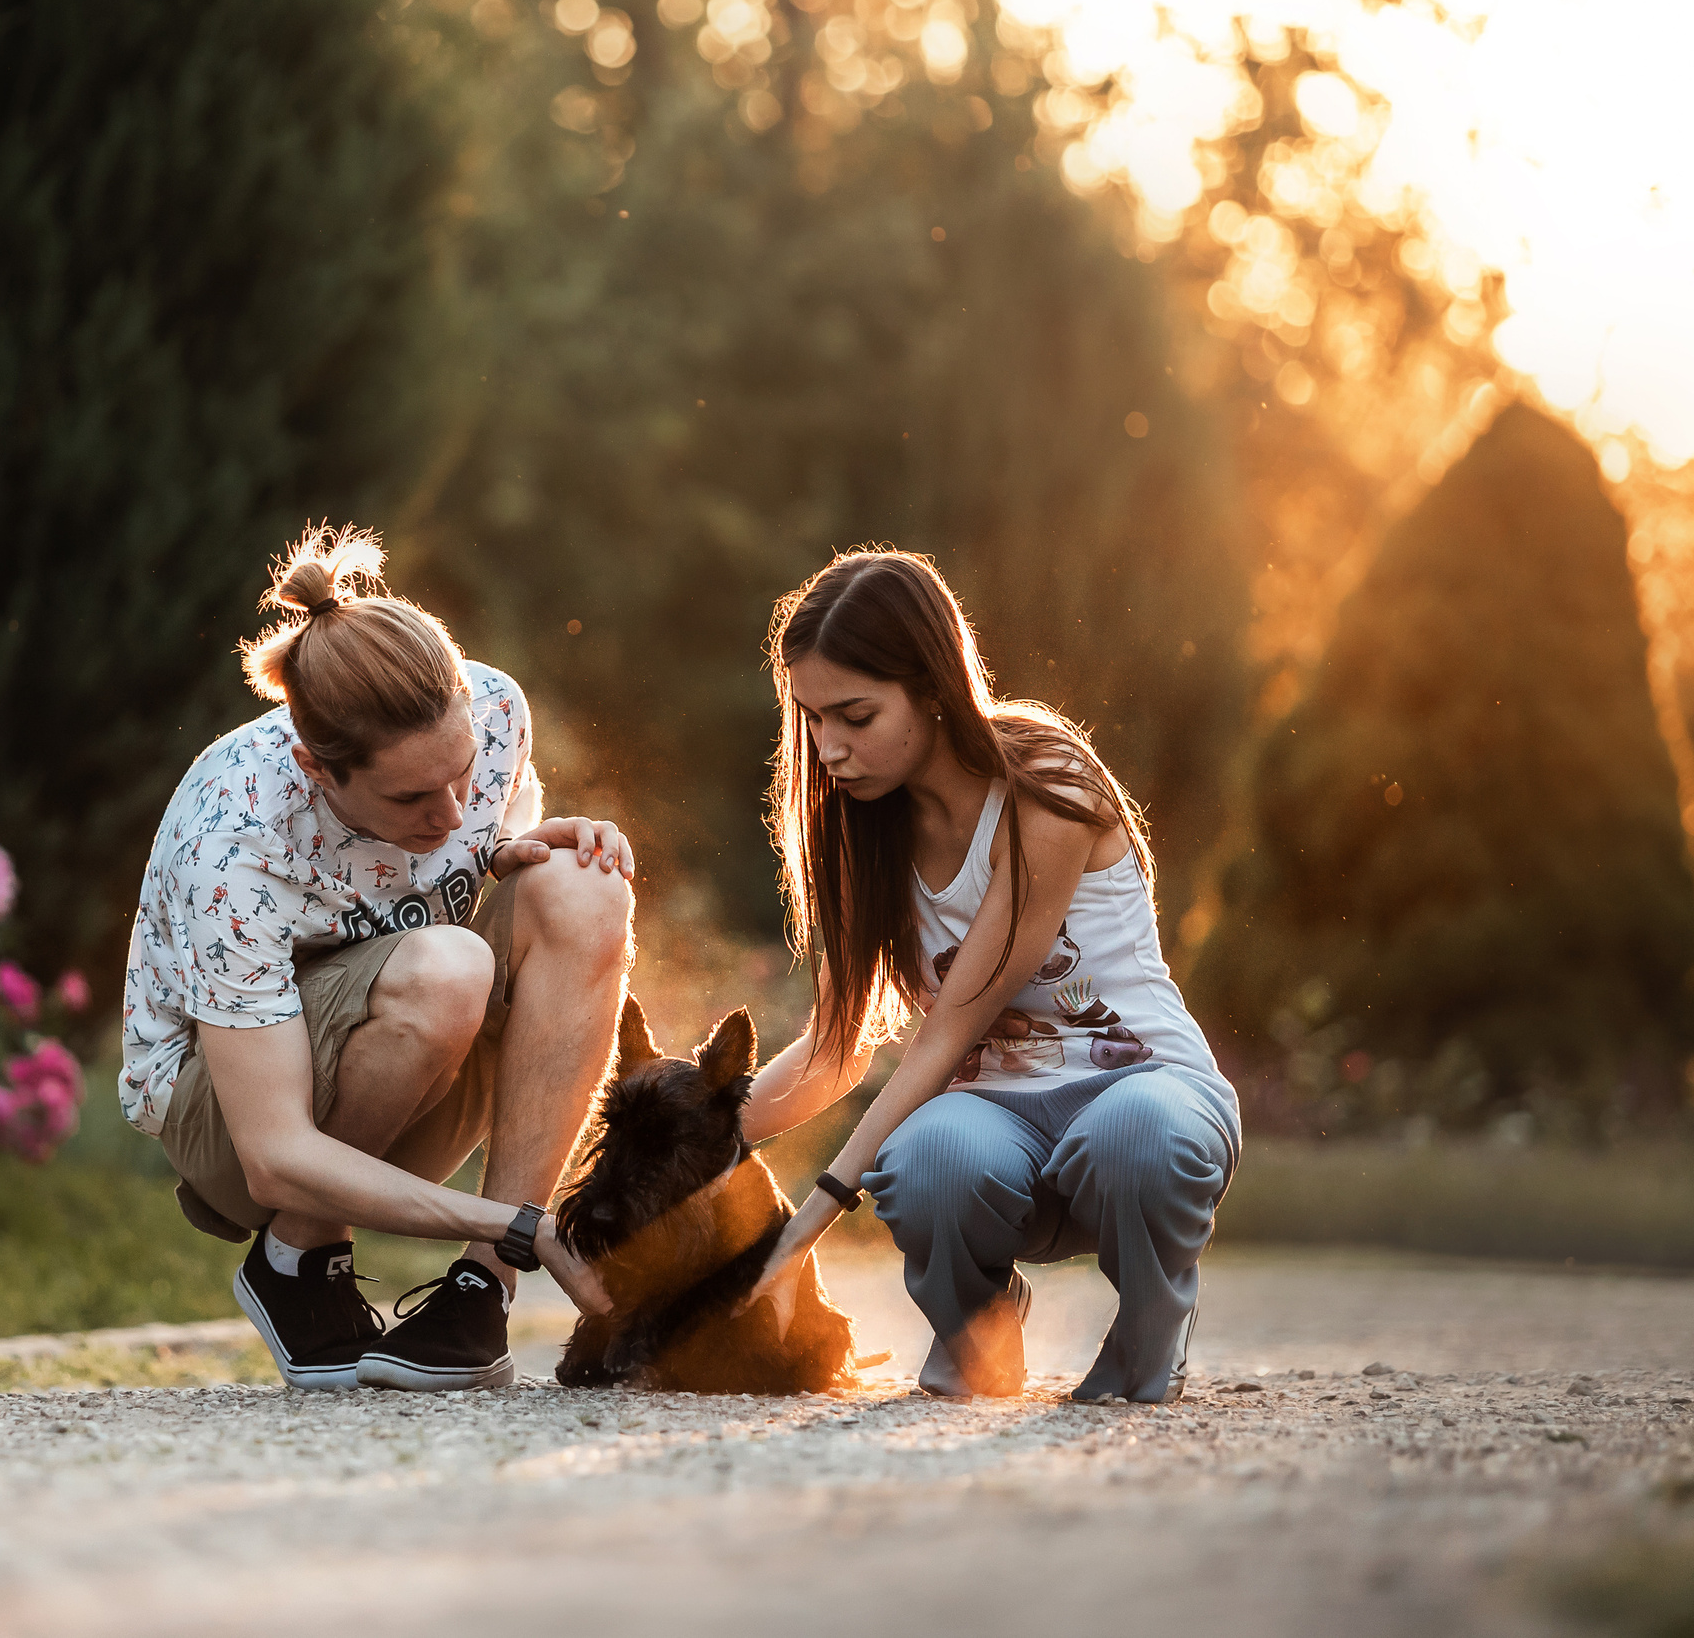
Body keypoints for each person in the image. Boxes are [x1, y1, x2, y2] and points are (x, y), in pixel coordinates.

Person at [121, 525, 631, 1392]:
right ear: (319, 769)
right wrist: (527, 1223)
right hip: (234, 1122)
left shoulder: (497, 708)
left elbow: (489, 817)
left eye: (463, 773)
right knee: (450, 969)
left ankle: (482, 1287)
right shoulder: (236, 833)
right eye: (410, 796)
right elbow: (274, 1154)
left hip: (413, 1062)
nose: (450, 809)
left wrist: (509, 845)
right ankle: (297, 1254)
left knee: (586, 885)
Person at [734, 550, 1240, 1403]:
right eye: (812, 719)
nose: (829, 748)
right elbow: (837, 1046)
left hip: (1142, 1090)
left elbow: (950, 1026)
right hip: (998, 1126)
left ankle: (1151, 1324)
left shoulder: (1046, 778)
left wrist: (800, 1231)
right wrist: (693, 1150)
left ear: (932, 686)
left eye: (855, 715)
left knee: (1133, 1136)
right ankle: (980, 1323)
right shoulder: (863, 829)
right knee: (927, 1159)